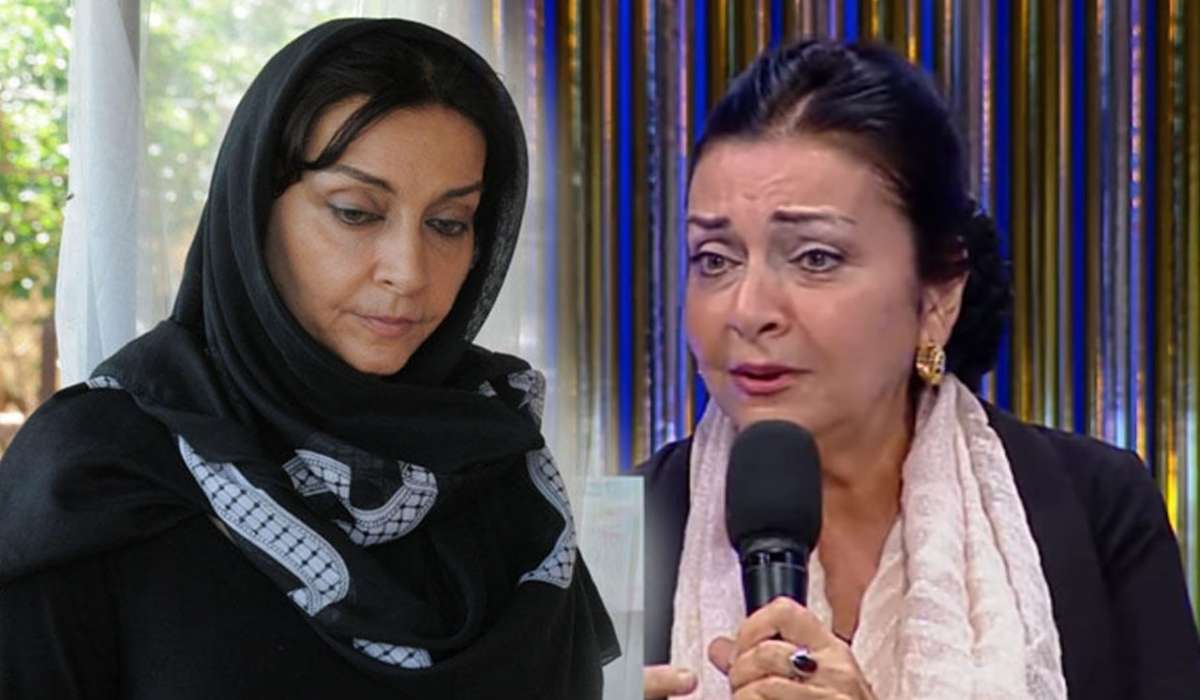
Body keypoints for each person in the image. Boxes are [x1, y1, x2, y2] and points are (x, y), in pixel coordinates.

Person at [0, 18, 617, 698]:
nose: (409, 272)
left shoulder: (498, 463)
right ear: (255, 210)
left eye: (447, 224)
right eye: (356, 212)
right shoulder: (100, 472)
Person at [642, 39, 1200, 699]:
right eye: (714, 259)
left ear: (937, 299)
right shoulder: (614, 536)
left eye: (815, 257)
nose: (749, 310)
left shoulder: (1096, 508)